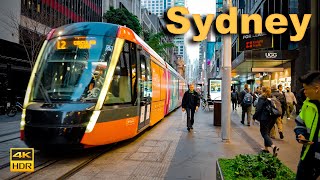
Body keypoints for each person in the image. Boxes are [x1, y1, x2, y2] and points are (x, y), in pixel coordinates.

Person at [294, 71, 320, 180]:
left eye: (306, 88)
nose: (304, 92)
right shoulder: (307, 104)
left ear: (317, 88)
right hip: (308, 155)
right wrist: (300, 134)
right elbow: (300, 122)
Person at [253, 86, 279, 156]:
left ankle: (273, 146)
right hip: (272, 118)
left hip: (265, 118)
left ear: (262, 90)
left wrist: (254, 117)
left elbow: (259, 109)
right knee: (267, 133)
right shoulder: (271, 97)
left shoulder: (262, 98)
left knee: (264, 133)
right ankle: (266, 148)